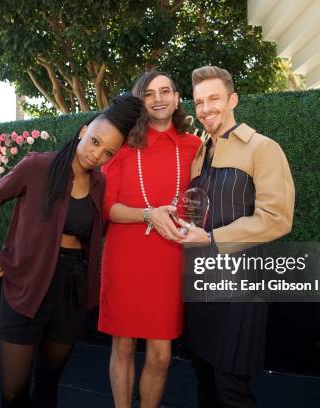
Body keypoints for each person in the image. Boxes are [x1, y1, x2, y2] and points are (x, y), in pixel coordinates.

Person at [0, 93, 142, 408]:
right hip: (26, 284)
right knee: (13, 392)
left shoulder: (99, 184)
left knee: (49, 385)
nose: (97, 155)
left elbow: (97, 232)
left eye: (107, 153)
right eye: (94, 142)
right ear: (83, 130)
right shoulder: (37, 166)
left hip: (70, 289)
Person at [177, 66, 295, 407]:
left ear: (233, 100)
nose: (205, 108)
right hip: (199, 284)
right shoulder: (199, 154)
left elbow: (277, 219)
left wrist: (211, 239)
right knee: (203, 381)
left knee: (231, 390)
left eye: (214, 98)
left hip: (241, 286)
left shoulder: (263, 148)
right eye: (199, 101)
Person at [99, 71, 202, 407]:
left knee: (160, 353)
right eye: (149, 93)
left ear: (176, 98)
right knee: (124, 345)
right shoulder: (123, 147)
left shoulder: (195, 146)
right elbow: (107, 208)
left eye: (165, 91)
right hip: (125, 258)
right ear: (139, 101)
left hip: (169, 259)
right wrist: (148, 213)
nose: (159, 98)